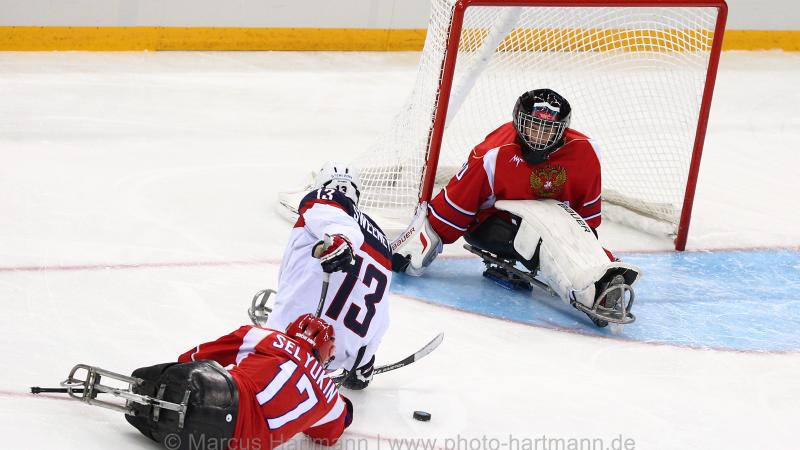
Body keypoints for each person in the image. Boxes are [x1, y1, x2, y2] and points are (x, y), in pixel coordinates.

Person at [393, 89, 640, 326]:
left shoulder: (585, 152)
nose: (538, 137)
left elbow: (586, 221)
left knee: (566, 231)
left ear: (562, 131)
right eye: (533, 126)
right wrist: (419, 245)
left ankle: (601, 276)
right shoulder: (492, 154)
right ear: (519, 122)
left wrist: (588, 249)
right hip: (491, 224)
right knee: (534, 235)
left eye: (548, 130)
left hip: (553, 219)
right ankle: (588, 291)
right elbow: (454, 207)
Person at [125, 314, 353, 450]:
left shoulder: (265, 336)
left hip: (217, 393)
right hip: (223, 441)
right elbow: (331, 434)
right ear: (325, 354)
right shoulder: (331, 396)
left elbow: (192, 357)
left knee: (155, 379)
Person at [264, 161, 392, 389]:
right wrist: (363, 359)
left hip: (290, 343)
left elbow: (339, 223)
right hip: (340, 356)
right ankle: (361, 366)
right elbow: (381, 317)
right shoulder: (384, 245)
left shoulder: (325, 201)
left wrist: (343, 239)